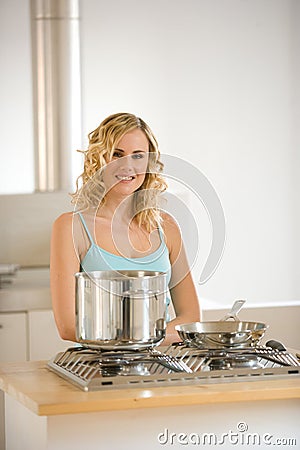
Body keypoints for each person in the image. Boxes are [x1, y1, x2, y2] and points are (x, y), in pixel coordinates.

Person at [50, 112, 200, 345]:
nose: (127, 166)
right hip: (101, 368)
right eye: (116, 154)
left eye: (137, 156)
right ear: (99, 160)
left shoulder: (167, 227)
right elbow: (68, 326)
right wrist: (143, 340)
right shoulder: (70, 227)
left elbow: (191, 318)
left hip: (166, 367)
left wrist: (140, 342)